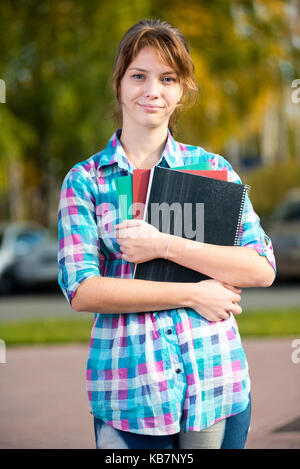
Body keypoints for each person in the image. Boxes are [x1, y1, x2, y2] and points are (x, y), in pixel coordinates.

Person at [57, 19, 276, 450]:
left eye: (167, 78)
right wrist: (194, 294)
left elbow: (261, 266)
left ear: (181, 90)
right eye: (138, 75)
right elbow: (83, 290)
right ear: (119, 83)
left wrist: (162, 244)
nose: (151, 90)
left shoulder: (211, 170)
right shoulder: (86, 180)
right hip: (130, 393)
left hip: (216, 385)